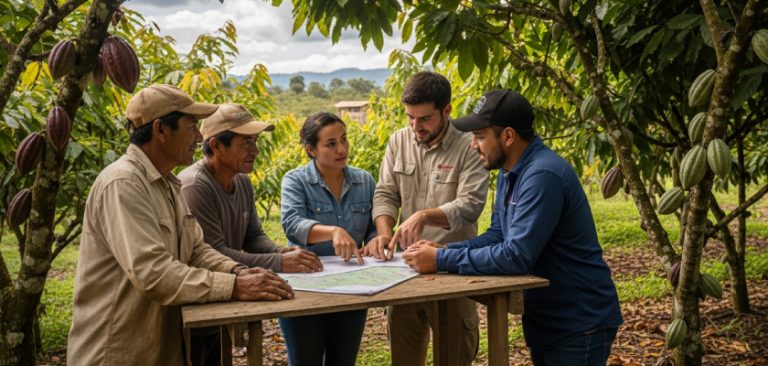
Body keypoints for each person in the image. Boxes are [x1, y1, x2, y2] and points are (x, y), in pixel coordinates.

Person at [67, 84, 293, 366]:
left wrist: (238, 270)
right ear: (160, 130)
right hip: (119, 351)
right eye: (191, 127)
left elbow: (196, 249)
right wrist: (233, 285)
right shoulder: (124, 183)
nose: (199, 137)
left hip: (160, 347)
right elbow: (153, 272)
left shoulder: (167, 184)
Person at [402, 89, 623, 366]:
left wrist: (441, 259)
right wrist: (445, 249)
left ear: (507, 136)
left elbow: (516, 255)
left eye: (480, 137)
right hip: (549, 318)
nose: (473, 145)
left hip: (578, 321)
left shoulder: (542, 175)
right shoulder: (510, 171)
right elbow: (498, 235)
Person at [178, 103, 322, 365]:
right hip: (198, 301)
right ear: (215, 146)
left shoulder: (241, 181)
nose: (255, 150)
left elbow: (253, 236)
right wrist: (279, 263)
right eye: (245, 143)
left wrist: (282, 252)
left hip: (224, 298)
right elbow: (212, 252)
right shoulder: (195, 186)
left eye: (255, 141)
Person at [363, 71, 489, 366]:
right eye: (410, 117)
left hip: (452, 270)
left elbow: (470, 205)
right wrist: (383, 232)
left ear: (447, 110)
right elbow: (385, 194)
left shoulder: (470, 145)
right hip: (404, 271)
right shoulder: (398, 141)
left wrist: (422, 217)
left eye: (425, 119)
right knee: (404, 358)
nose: (415, 126)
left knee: (455, 356)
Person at [279, 112, 376, 366]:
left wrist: (377, 240)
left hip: (353, 288)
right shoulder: (295, 180)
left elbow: (373, 228)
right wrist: (333, 231)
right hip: (306, 287)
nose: (341, 149)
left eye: (344, 140)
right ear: (311, 150)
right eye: (331, 144)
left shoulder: (364, 180)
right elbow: (291, 223)